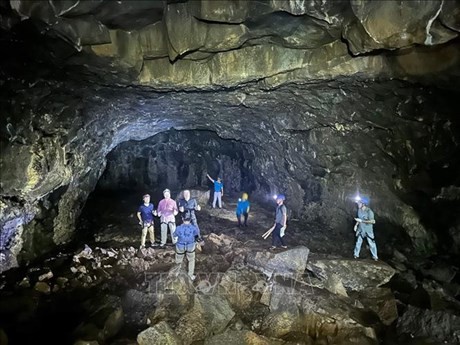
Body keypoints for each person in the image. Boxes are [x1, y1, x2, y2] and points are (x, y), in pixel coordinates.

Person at [173, 216, 202, 281]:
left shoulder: (178, 228)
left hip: (180, 245)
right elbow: (197, 235)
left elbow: (174, 235)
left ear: (182, 219)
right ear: (190, 220)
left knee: (178, 260)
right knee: (191, 260)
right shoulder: (193, 228)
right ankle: (190, 275)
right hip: (190, 246)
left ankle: (177, 274)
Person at [353, 197, 378, 261]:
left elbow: (373, 221)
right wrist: (356, 225)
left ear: (363, 204)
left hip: (368, 230)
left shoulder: (369, 212)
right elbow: (359, 219)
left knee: (371, 243)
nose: (358, 204)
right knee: (358, 242)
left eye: (359, 203)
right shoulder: (359, 210)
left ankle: (375, 256)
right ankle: (356, 255)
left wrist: (362, 221)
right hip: (361, 229)